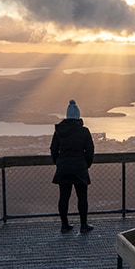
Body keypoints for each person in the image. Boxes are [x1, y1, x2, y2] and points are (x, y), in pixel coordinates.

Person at [50, 99, 95, 233]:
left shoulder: (59, 130)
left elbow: (53, 149)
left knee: (64, 197)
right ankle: (83, 225)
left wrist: (58, 162)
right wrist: (86, 164)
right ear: (78, 115)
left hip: (63, 167)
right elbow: (90, 150)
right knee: (82, 197)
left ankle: (64, 225)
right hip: (79, 167)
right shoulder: (84, 131)